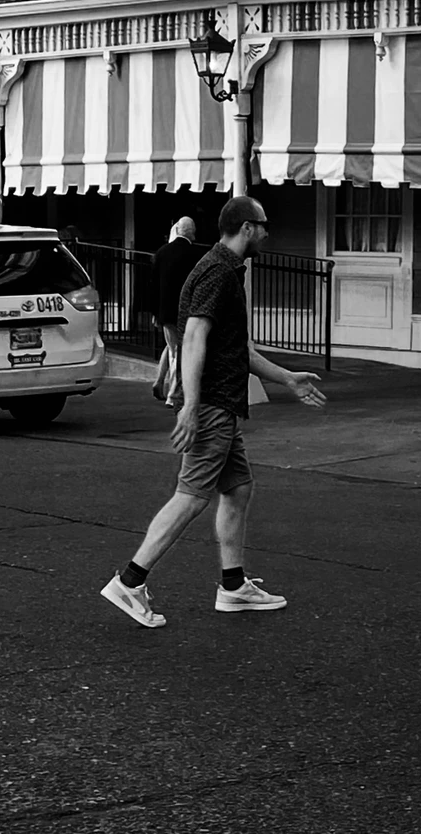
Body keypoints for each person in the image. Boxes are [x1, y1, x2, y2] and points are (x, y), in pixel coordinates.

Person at [100, 195, 327, 628]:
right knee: (190, 496)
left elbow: (235, 348)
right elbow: (193, 338)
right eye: (263, 225)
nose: (267, 232)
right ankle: (130, 582)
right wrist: (189, 405)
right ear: (246, 227)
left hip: (221, 404)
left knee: (238, 488)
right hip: (211, 406)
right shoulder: (217, 272)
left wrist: (287, 379)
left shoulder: (224, 270)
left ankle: (233, 586)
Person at [151, 217, 199, 404]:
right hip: (186, 311)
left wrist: (155, 312)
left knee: (172, 348)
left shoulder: (161, 253)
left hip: (165, 312)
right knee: (181, 352)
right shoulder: (195, 254)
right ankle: (173, 394)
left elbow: (153, 285)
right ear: (192, 232)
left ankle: (160, 381)